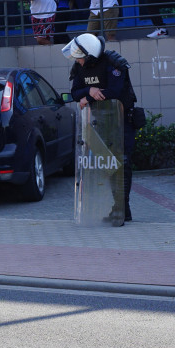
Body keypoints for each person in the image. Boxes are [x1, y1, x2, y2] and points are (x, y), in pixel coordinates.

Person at [62, 33, 139, 225]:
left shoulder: (114, 63)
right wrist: (89, 91)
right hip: (100, 123)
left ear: (89, 55)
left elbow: (115, 92)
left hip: (122, 122)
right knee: (109, 165)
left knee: (122, 164)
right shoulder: (81, 66)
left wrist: (87, 97)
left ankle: (121, 208)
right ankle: (120, 209)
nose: (77, 61)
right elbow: (74, 92)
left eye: (79, 57)